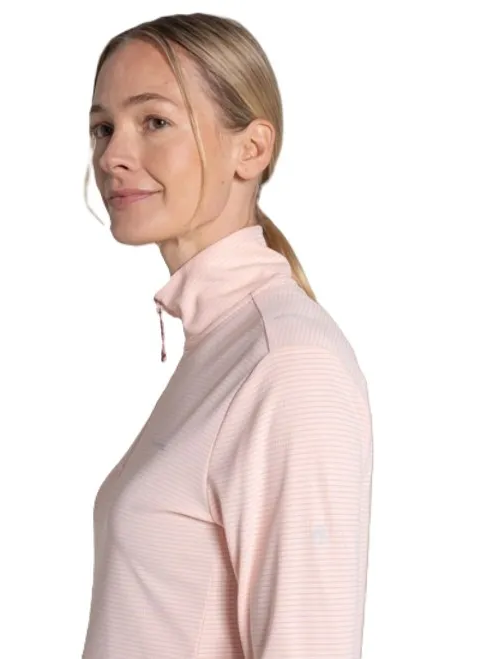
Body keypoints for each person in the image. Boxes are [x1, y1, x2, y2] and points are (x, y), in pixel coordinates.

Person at [81, 12, 374, 659]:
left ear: (252, 148)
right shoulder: (220, 345)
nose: (112, 155)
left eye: (154, 121)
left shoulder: (289, 365)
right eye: (103, 127)